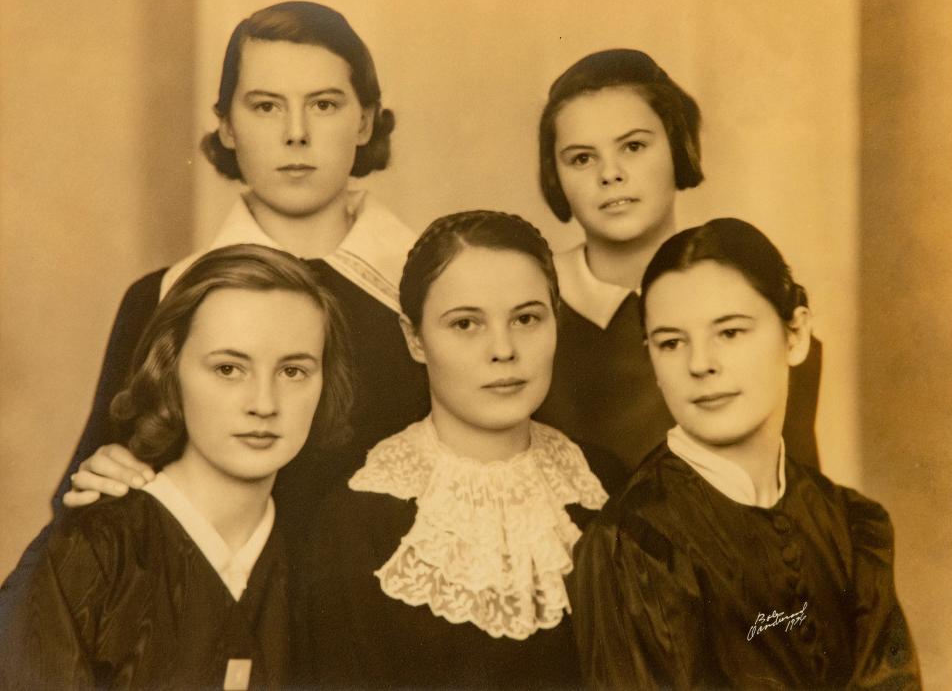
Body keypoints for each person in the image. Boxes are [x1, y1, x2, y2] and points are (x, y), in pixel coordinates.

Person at [57, 1, 429, 526]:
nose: (295, 133)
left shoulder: (431, 295)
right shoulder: (165, 295)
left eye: (323, 105)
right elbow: (79, 504)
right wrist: (105, 477)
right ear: (227, 126)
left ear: (364, 121)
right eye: (266, 106)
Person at [570, 218, 920, 690]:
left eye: (730, 333)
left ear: (794, 335)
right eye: (672, 343)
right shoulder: (632, 546)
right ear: (651, 358)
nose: (700, 364)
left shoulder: (854, 525)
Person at [0, 244, 353, 689]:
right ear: (170, 372)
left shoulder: (320, 554)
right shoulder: (91, 549)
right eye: (228, 368)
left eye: (293, 372)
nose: (264, 404)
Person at [296, 211, 618, 689]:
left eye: (527, 318)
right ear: (415, 339)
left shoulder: (607, 486)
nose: (503, 349)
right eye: (466, 324)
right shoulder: (353, 523)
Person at [534, 49, 822, 472]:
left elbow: (798, 493)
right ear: (555, 175)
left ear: (678, 148)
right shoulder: (526, 307)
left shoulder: (755, 299)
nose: (609, 174)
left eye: (633, 146)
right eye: (582, 158)